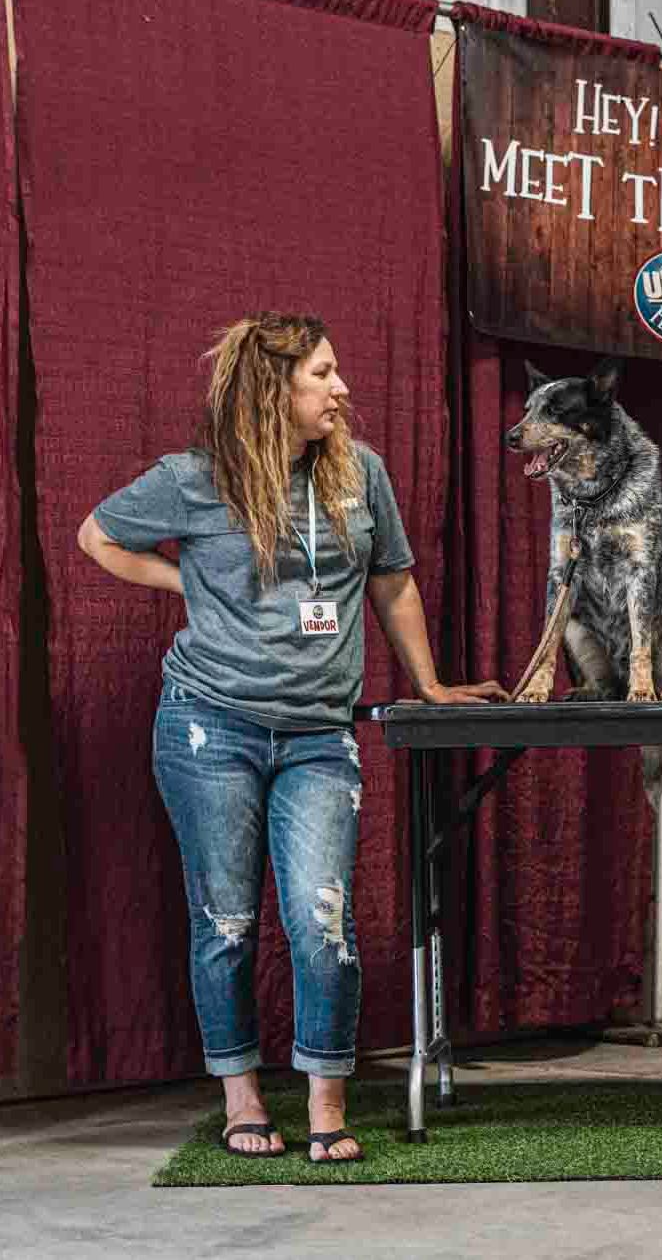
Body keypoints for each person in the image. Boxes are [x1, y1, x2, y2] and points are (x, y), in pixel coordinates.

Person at [78, 314, 508, 1163]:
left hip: (317, 736)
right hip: (209, 727)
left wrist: (428, 683)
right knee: (228, 923)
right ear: (272, 390)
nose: (340, 388)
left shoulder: (361, 473)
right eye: (321, 373)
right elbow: (98, 537)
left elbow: (392, 582)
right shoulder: (194, 479)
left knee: (323, 923)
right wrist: (192, 584)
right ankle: (241, 1098)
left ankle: (324, 1103)